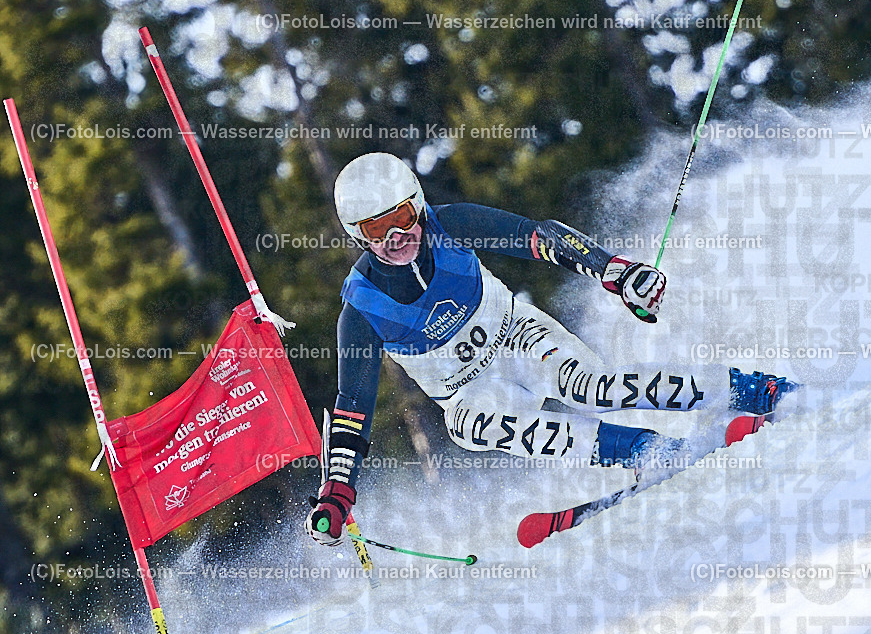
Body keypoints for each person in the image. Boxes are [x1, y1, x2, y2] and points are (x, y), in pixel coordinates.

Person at [305, 153, 796, 546]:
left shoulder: (450, 225)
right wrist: (338, 490)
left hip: (515, 336)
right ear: (357, 235)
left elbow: (539, 236)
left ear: (418, 203)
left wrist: (616, 273)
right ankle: (644, 450)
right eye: (376, 230)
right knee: (479, 425)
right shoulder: (362, 310)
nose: (396, 237)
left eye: (402, 217)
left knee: (594, 388)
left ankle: (751, 390)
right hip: (466, 394)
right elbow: (352, 410)